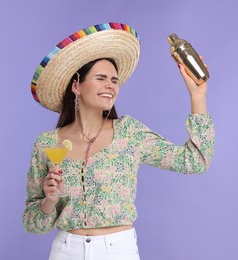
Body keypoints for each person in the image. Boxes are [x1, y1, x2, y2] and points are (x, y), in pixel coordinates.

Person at [23, 22, 215, 260]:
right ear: (76, 85)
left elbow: (195, 161)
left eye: (114, 81)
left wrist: (198, 96)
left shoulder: (129, 134)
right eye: (101, 78)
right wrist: (49, 201)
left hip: (117, 251)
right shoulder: (46, 144)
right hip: (65, 250)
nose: (110, 86)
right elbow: (33, 224)